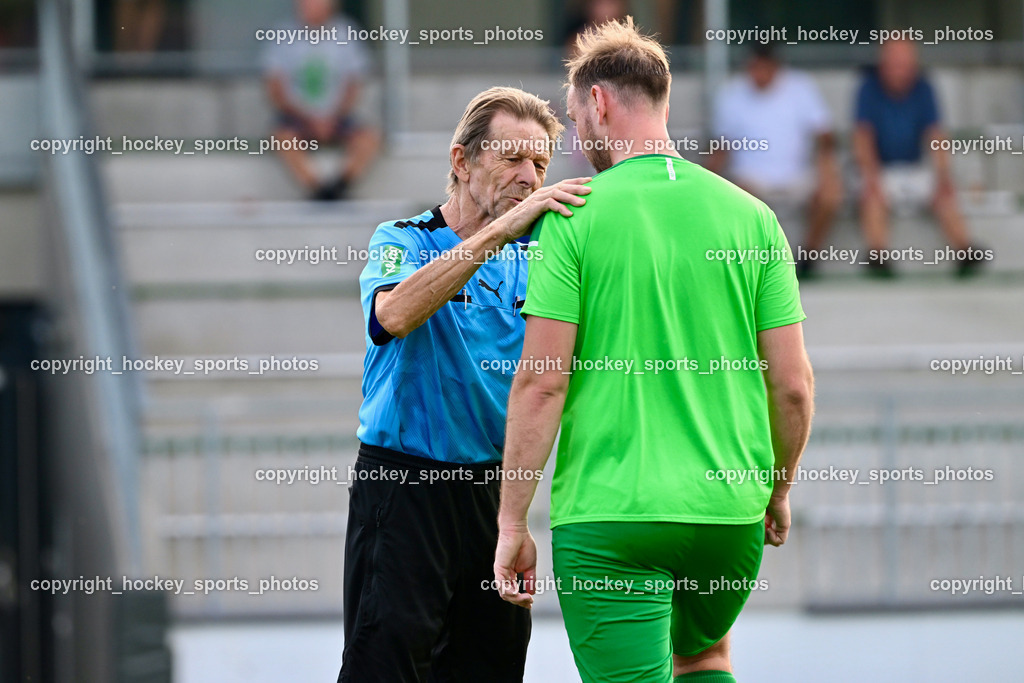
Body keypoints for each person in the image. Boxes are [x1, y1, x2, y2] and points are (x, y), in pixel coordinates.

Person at [493, 18, 814, 683]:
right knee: (705, 657)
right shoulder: (751, 217)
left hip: (612, 518)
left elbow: (541, 384)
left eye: (579, 120)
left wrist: (511, 520)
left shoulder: (572, 213)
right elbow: (792, 385)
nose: (580, 139)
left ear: (601, 104)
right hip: (728, 514)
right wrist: (777, 488)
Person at [339, 86, 591, 682]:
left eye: (540, 164)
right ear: (462, 161)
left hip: (494, 497)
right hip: (403, 488)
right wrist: (498, 234)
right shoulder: (402, 240)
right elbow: (393, 316)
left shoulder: (546, 257)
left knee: (490, 669)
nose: (529, 177)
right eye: (511, 158)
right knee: (385, 667)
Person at [853, 39, 987, 276]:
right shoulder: (868, 87)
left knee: (945, 193)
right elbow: (863, 138)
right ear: (883, 64)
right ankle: (878, 255)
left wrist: (943, 175)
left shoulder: (924, 87)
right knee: (871, 195)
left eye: (905, 63)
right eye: (894, 63)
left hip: (914, 167)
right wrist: (871, 177)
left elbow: (936, 136)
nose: (900, 69)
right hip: (879, 168)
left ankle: (965, 250)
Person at [709, 42, 842, 278]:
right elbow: (721, 147)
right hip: (750, 179)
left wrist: (826, 167)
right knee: (737, 197)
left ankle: (808, 259)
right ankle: (760, 265)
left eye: (765, 69)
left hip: (798, 176)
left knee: (831, 193)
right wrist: (707, 182)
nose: (759, 75)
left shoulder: (801, 87)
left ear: (777, 67)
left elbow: (825, 135)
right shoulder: (731, 93)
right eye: (754, 69)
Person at [263, 0, 380, 200]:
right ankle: (317, 189)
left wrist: (332, 117)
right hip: (296, 117)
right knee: (282, 138)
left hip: (338, 117)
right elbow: (275, 87)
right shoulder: (282, 35)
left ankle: (340, 185)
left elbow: (353, 84)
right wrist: (308, 119)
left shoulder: (346, 33)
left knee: (369, 138)